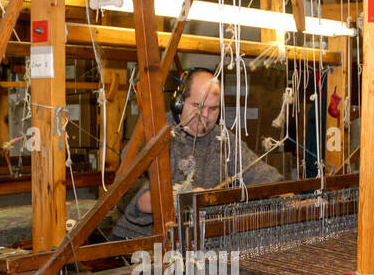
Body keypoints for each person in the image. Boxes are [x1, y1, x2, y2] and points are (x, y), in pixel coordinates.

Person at [111, 68, 283, 239]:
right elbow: (128, 193)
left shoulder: (223, 138)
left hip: (194, 241)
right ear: (179, 102)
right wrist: (180, 199)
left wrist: (287, 195)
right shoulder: (152, 133)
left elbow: (260, 174)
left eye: (213, 109)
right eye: (197, 106)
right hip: (139, 240)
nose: (205, 116)